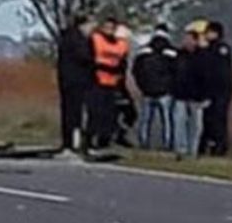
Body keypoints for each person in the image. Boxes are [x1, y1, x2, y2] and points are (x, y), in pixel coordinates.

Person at [132, 23, 178, 149]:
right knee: (167, 121)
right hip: (166, 92)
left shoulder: (143, 51)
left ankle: (143, 142)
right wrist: (172, 87)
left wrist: (142, 86)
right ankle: (168, 144)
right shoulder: (172, 52)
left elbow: (136, 70)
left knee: (145, 120)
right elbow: (177, 72)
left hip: (147, 91)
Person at [56, 12, 95, 156]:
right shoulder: (76, 39)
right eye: (90, 25)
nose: (92, 28)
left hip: (68, 80)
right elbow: (84, 57)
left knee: (70, 113)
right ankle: (72, 144)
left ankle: (71, 143)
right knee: (74, 114)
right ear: (83, 24)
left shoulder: (67, 37)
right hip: (76, 81)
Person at [87, 17, 130, 150]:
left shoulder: (121, 44)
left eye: (112, 28)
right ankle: (89, 140)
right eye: (106, 27)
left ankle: (104, 140)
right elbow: (89, 60)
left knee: (110, 115)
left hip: (113, 83)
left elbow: (123, 63)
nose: (109, 30)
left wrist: (119, 74)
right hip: (97, 81)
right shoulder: (95, 39)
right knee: (95, 113)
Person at [171, 31, 210, 159]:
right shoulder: (179, 55)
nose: (186, 41)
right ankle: (180, 149)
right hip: (180, 95)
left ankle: (193, 151)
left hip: (197, 96)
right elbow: (173, 73)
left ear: (195, 41)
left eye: (189, 39)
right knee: (179, 123)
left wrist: (206, 96)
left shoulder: (203, 56)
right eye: (185, 39)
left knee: (196, 126)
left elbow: (207, 77)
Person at [201, 21, 232, 156]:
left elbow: (219, 72)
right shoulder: (209, 48)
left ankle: (220, 147)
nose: (206, 35)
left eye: (208, 32)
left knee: (219, 119)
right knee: (208, 120)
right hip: (212, 91)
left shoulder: (221, 49)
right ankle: (208, 145)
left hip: (221, 91)